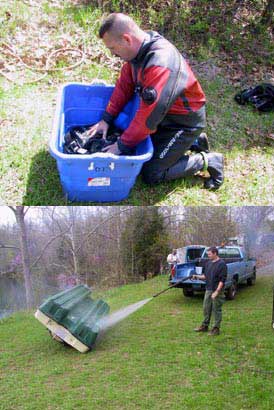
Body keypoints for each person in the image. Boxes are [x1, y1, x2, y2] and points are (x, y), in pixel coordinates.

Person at [88, 13, 224, 190]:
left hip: (182, 123)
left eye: (113, 48)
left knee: (151, 173)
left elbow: (148, 118)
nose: (112, 54)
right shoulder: (136, 55)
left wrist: (120, 146)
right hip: (164, 118)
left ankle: (208, 160)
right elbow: (123, 87)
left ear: (127, 39)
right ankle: (195, 142)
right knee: (130, 136)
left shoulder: (160, 62)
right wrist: (106, 119)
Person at [192, 246, 227, 336]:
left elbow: (222, 280)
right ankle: (204, 326)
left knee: (216, 309)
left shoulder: (222, 264)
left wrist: (217, 291)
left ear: (215, 253)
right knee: (206, 308)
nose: (208, 256)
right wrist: (197, 276)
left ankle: (216, 329)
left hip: (217, 290)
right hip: (208, 289)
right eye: (208, 254)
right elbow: (205, 276)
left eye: (210, 254)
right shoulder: (208, 263)